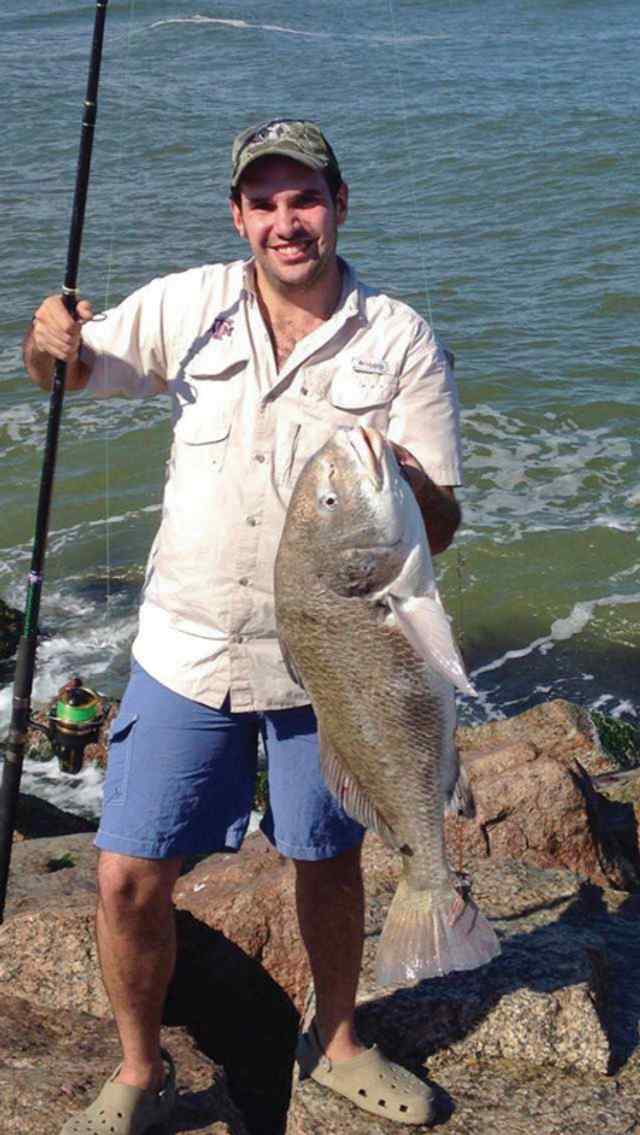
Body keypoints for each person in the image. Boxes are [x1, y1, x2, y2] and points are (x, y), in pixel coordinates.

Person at [25, 119, 463, 1133]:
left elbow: (441, 521)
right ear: (238, 216)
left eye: (302, 198)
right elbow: (71, 370)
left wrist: (403, 494)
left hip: (334, 660)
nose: (285, 222)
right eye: (263, 203)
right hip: (188, 643)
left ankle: (337, 1039)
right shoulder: (190, 304)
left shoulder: (399, 338)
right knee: (129, 873)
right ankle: (140, 1070)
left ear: (339, 203)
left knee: (327, 856)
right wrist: (45, 342)